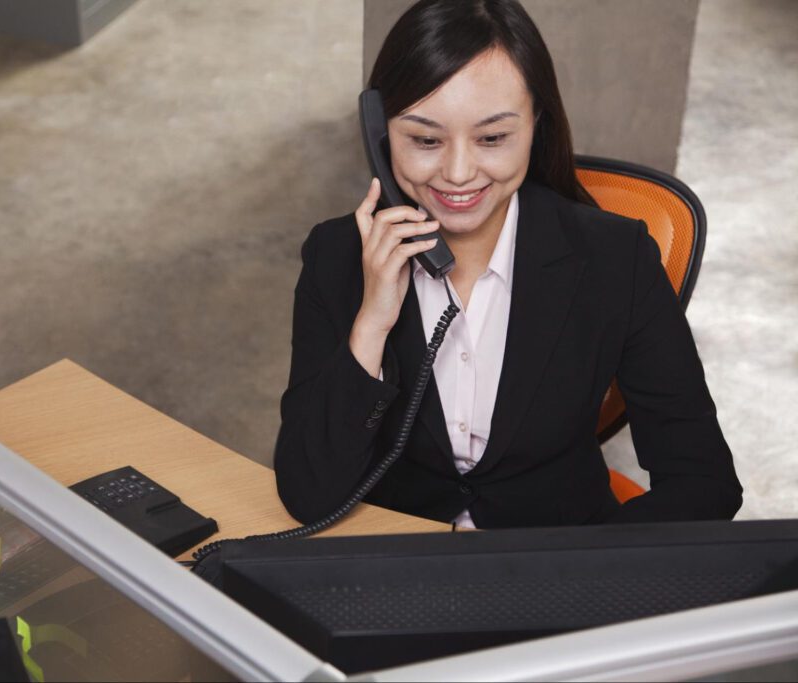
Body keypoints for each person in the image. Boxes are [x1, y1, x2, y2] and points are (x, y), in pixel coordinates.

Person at [273, 0, 742, 529]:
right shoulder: (337, 255)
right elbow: (307, 493)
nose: (456, 172)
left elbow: (704, 483)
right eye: (425, 139)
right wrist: (372, 323)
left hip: (559, 568)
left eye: (492, 138)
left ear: (537, 122)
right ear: (380, 134)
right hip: (399, 561)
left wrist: (585, 575)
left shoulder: (616, 257)